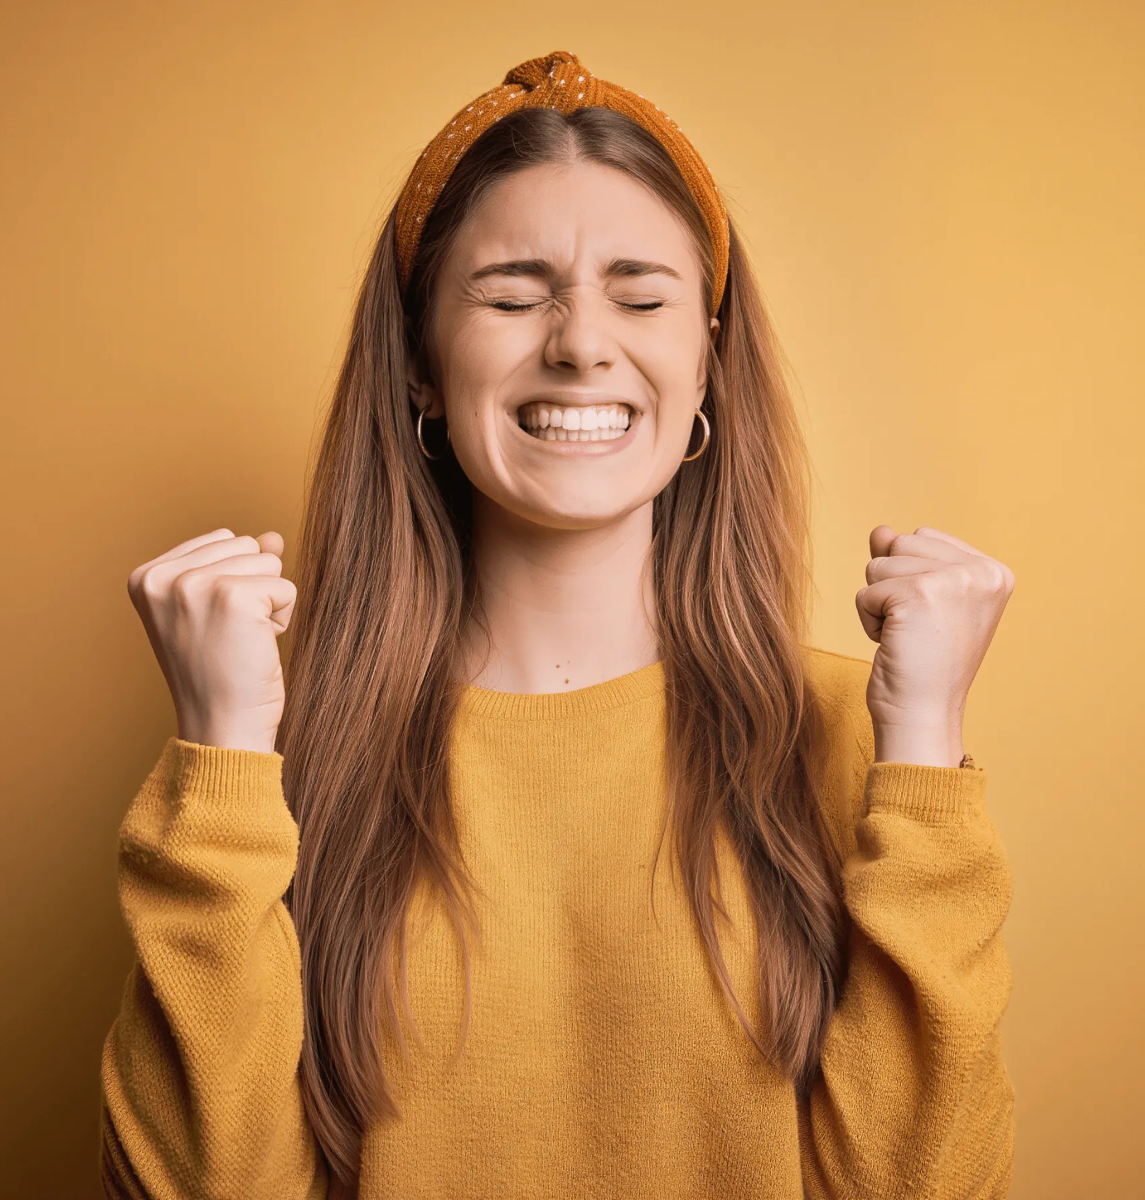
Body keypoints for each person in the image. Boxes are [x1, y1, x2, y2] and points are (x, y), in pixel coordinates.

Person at [99, 50, 1016, 1200]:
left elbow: (916, 1186)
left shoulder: (859, 735)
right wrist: (222, 751)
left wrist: (924, 741)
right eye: (513, 294)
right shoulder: (269, 763)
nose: (582, 342)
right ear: (423, 367)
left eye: (640, 296)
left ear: (708, 365)